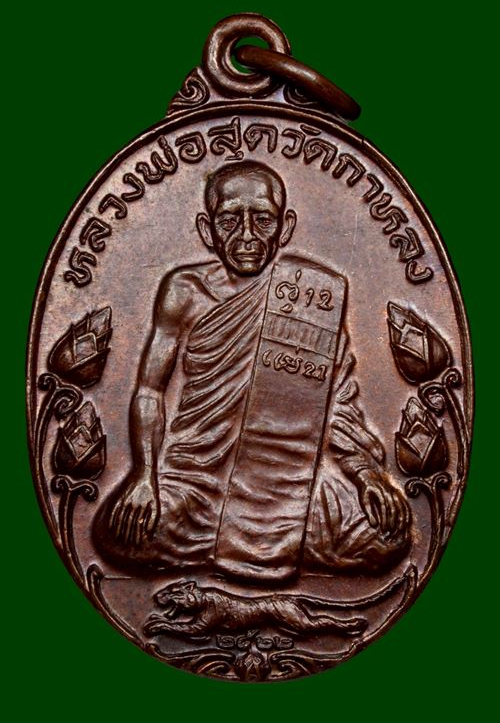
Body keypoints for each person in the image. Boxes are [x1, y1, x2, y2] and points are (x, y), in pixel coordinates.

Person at [93, 160, 411, 580]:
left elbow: (337, 403)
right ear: (207, 230)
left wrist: (367, 474)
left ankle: (234, 549)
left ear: (285, 227)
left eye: (263, 219)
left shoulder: (311, 296)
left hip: (291, 478)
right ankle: (256, 546)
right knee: (117, 534)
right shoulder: (185, 291)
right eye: (230, 221)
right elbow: (150, 390)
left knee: (388, 536)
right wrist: (144, 476)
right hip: (200, 480)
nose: (246, 235)